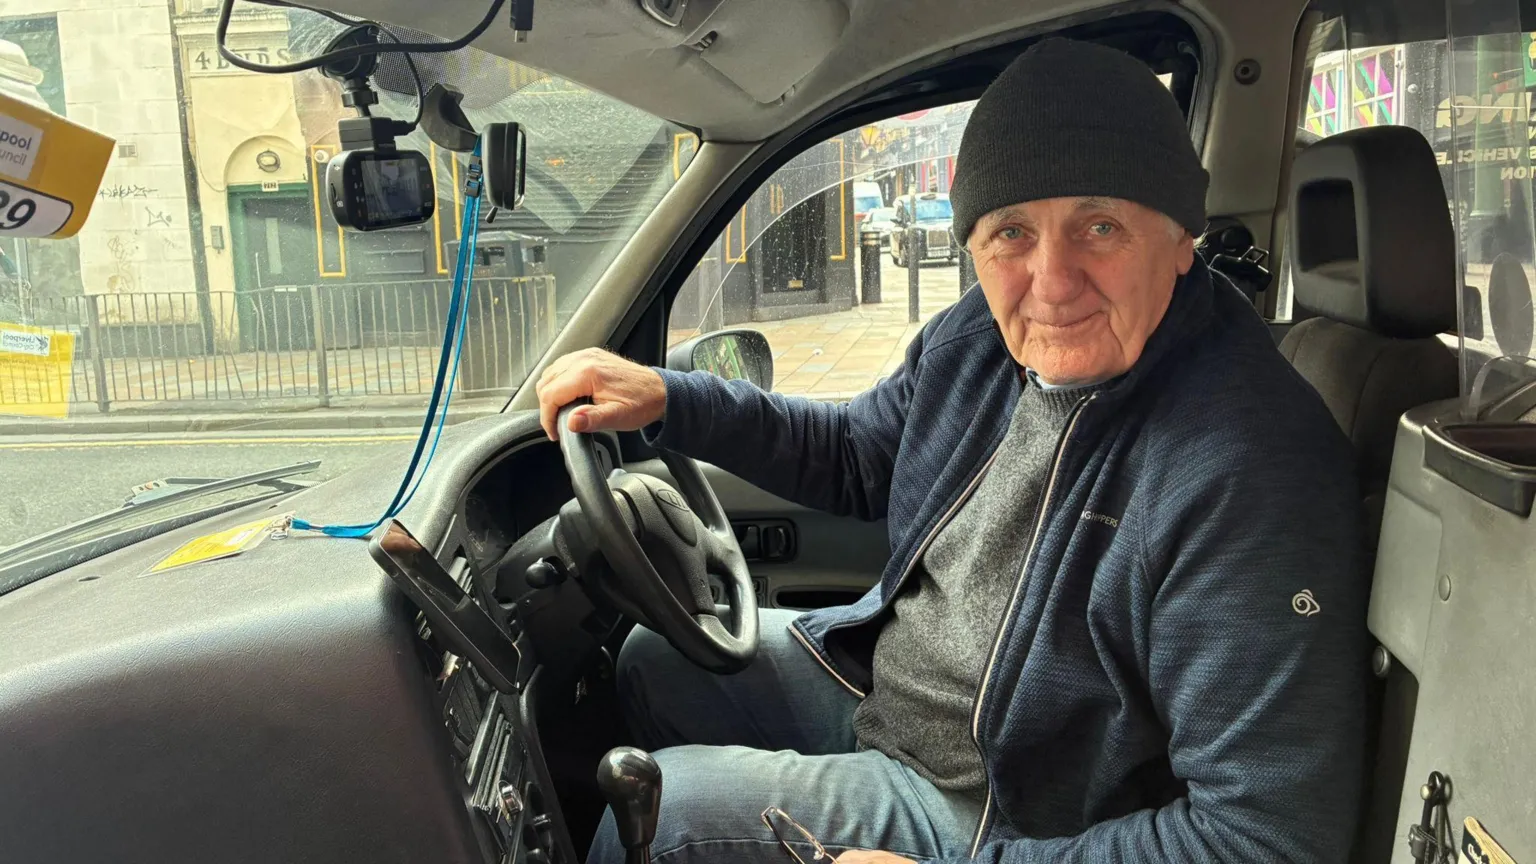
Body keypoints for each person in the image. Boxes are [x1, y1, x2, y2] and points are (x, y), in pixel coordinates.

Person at [539, 38, 1368, 864]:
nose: (1052, 280)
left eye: (1101, 225)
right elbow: (859, 453)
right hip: (890, 690)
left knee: (661, 815)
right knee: (653, 658)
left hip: (1008, 805)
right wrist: (672, 401)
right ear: (974, 244)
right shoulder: (980, 337)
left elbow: (1267, 837)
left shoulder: (1250, 467)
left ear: (1181, 238)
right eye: (1012, 232)